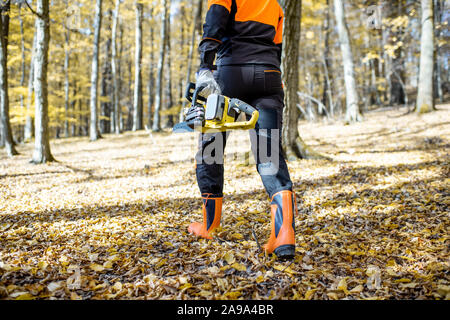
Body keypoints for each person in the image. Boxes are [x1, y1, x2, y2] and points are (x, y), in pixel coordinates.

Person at [186, 0, 297, 260]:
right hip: (269, 76)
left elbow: (214, 22)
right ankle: (284, 236)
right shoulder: (276, 6)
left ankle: (209, 225)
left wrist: (205, 65)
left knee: (210, 148)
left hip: (231, 73)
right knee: (269, 154)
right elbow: (277, 48)